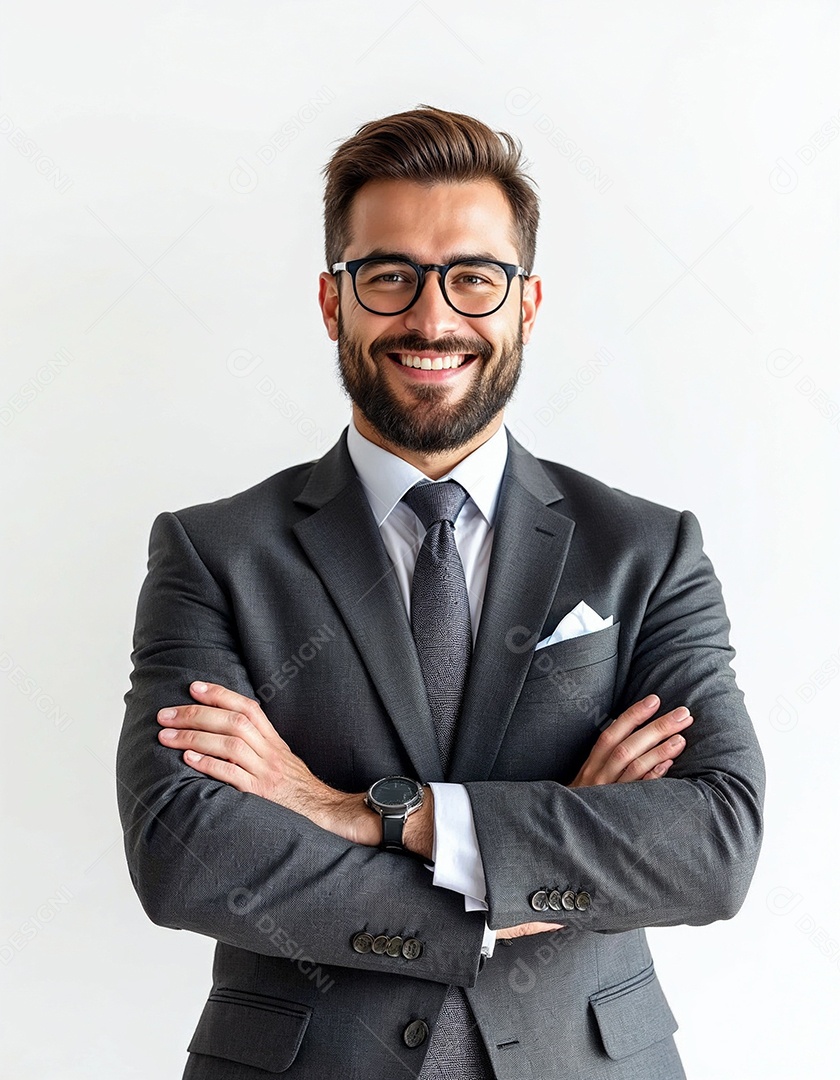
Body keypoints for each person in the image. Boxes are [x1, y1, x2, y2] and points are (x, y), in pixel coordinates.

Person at [117, 106, 765, 1079]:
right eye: (390, 276)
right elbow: (187, 852)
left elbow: (712, 843)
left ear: (526, 306)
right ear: (333, 303)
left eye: (475, 278)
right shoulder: (215, 553)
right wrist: (512, 890)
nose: (431, 319)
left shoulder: (646, 550)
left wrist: (372, 812)